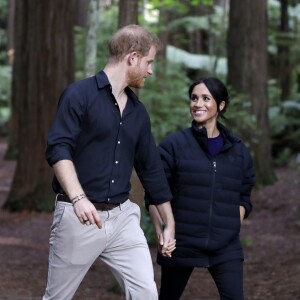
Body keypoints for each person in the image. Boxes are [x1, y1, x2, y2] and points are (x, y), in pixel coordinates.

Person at [43, 24, 175, 300]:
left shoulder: (138, 113)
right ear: (132, 57)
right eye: (149, 62)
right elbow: (58, 149)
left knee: (147, 294)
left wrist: (168, 220)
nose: (150, 70)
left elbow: (151, 169)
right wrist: (79, 198)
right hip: (78, 217)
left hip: (123, 218)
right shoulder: (79, 95)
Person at [148, 77, 255, 300]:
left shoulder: (237, 150)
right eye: (194, 98)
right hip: (181, 243)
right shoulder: (173, 145)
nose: (198, 104)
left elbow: (244, 193)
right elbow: (155, 193)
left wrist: (233, 220)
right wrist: (162, 232)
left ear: (221, 105)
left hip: (225, 247)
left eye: (206, 98)